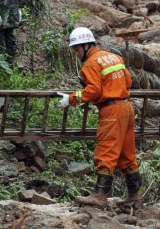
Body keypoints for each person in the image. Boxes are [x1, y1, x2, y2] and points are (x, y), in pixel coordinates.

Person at [57, 27, 141, 206]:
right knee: (127, 155)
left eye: (77, 49)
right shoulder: (114, 57)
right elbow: (128, 81)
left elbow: (94, 90)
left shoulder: (90, 64)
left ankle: (99, 195)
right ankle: (135, 197)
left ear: (87, 45)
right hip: (126, 108)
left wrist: (71, 98)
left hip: (111, 111)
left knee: (106, 151)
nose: (76, 53)